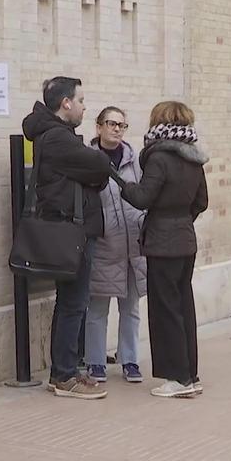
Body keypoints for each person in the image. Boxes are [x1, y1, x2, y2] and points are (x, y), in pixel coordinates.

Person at [21, 76, 112, 400]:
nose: (85, 107)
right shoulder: (58, 138)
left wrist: (93, 176)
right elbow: (100, 164)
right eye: (82, 100)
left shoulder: (61, 136)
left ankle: (67, 370)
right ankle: (64, 375)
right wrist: (94, 173)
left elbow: (96, 174)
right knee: (73, 304)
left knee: (72, 303)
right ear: (66, 103)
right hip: (70, 233)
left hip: (76, 230)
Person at [119, 101, 209, 398]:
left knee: (165, 309)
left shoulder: (158, 158)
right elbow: (201, 202)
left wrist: (122, 184)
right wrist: (181, 219)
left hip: (162, 241)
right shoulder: (193, 158)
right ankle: (190, 374)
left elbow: (143, 197)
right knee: (184, 306)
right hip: (186, 239)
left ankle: (177, 378)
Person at [85, 106, 147, 384]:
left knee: (130, 308)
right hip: (104, 245)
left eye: (122, 125)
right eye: (111, 123)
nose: (117, 129)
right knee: (97, 309)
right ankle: (95, 362)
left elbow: (145, 194)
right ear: (98, 127)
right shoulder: (88, 159)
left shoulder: (135, 161)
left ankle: (130, 360)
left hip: (133, 246)